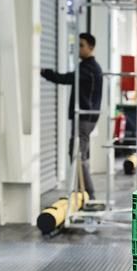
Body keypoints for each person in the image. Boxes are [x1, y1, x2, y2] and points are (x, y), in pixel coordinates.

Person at [41, 32, 103, 198]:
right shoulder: (90, 67)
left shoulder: (89, 68)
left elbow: (67, 78)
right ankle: (81, 190)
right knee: (78, 153)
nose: (79, 49)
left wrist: (46, 73)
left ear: (91, 47)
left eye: (82, 45)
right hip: (87, 117)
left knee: (77, 154)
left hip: (85, 117)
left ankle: (88, 193)